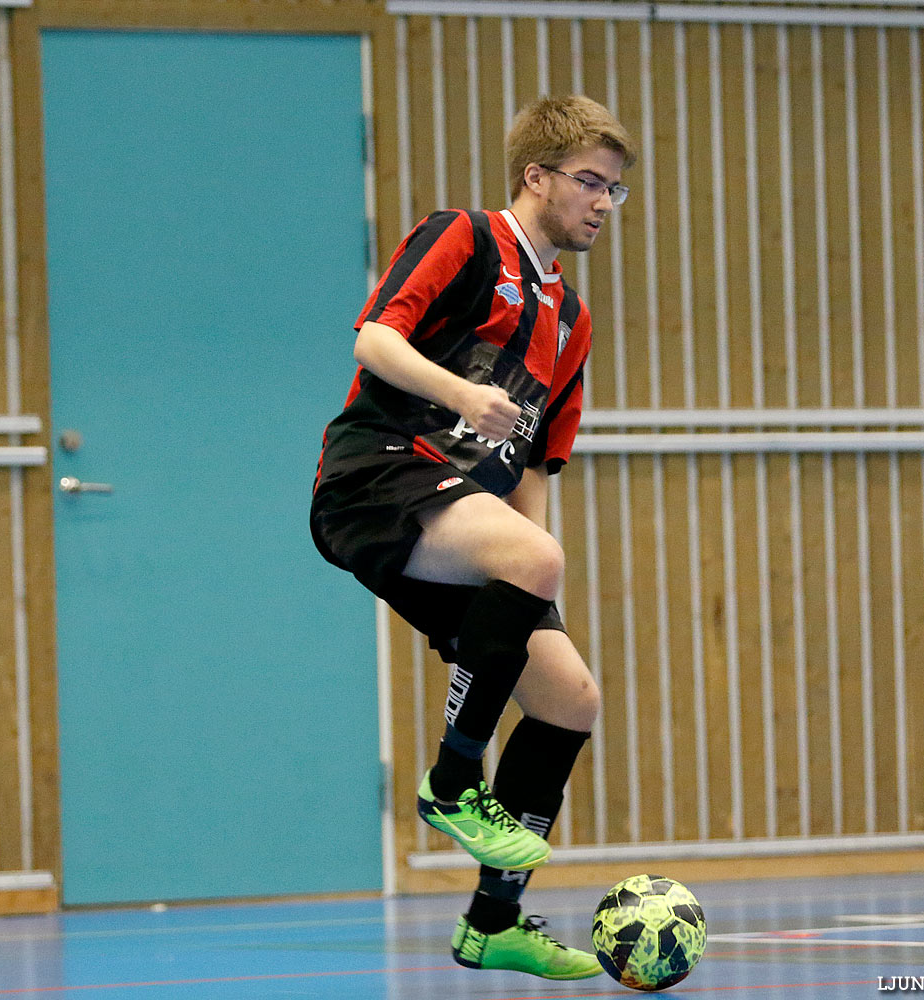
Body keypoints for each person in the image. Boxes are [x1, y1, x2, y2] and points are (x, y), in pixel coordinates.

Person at [310, 94, 634, 981]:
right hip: (374, 478)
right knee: (532, 555)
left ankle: (494, 923)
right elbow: (376, 339)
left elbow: (532, 467)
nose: (604, 203)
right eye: (589, 183)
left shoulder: (570, 319)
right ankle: (452, 783)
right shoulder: (464, 235)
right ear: (537, 176)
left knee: (570, 696)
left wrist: (535, 601)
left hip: (469, 512)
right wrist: (460, 396)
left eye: (617, 189)